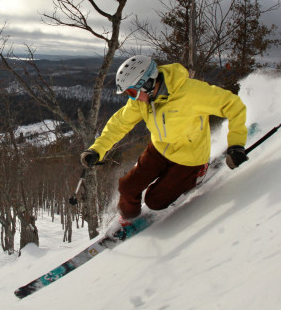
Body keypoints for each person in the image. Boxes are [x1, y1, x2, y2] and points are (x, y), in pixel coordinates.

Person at [80, 55, 249, 221]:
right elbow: (119, 123)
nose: (132, 97)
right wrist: (97, 149)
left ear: (147, 83)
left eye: (132, 92)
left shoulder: (191, 92)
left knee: (155, 201)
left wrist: (236, 144)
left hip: (189, 157)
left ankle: (199, 172)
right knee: (127, 187)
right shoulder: (142, 100)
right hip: (159, 149)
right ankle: (128, 218)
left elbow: (234, 105)